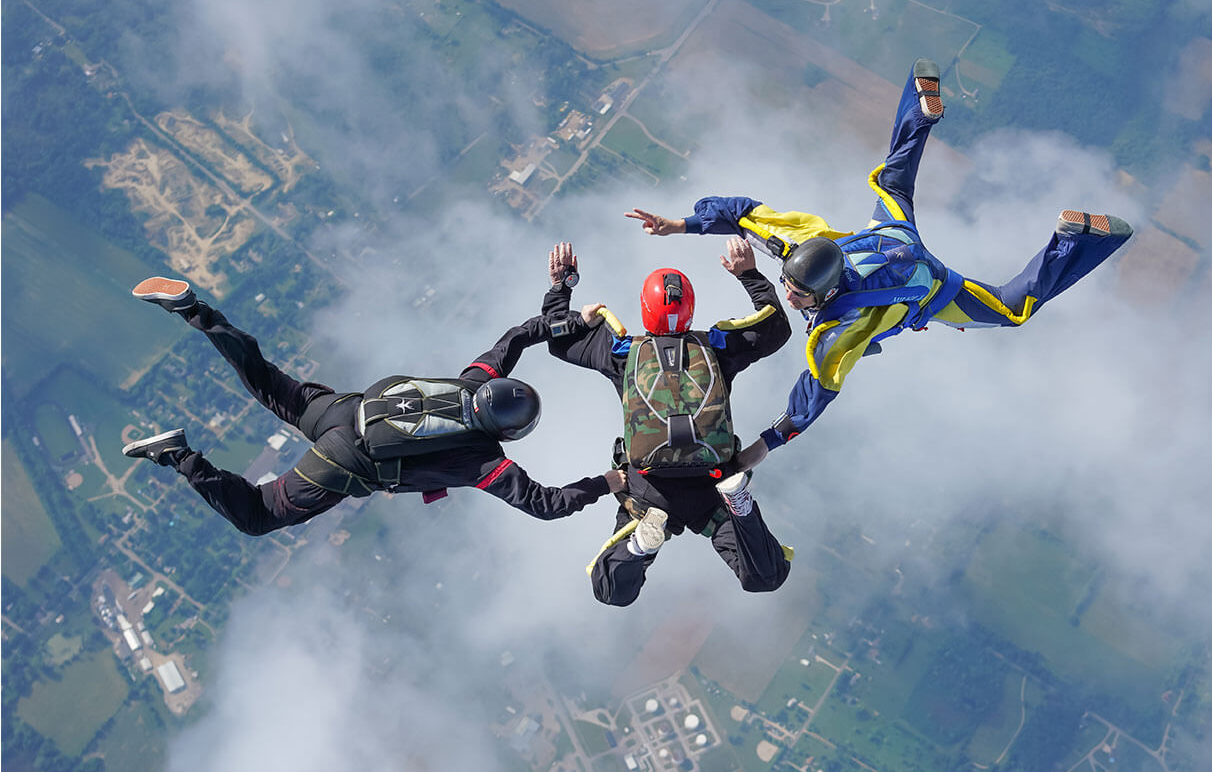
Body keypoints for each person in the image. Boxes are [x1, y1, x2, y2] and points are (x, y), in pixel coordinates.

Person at [626, 57, 1132, 470]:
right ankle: (921, 104)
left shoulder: (836, 332)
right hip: (890, 236)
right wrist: (678, 225)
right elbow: (741, 214)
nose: (789, 295)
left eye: (798, 295)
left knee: (1011, 308)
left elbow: (810, 399)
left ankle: (1073, 240)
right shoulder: (801, 245)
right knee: (892, 185)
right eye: (788, 284)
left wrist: (758, 451)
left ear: (824, 296)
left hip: (928, 285)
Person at [122, 276, 626, 537]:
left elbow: (517, 337)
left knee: (265, 379)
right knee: (259, 514)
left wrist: (569, 315)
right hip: (347, 462)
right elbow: (546, 504)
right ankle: (178, 457)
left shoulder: (474, 381)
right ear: (508, 433)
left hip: (342, 410)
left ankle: (196, 312)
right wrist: (609, 482)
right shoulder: (485, 462)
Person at [538, 239, 792, 606]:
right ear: (691, 309)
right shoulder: (717, 347)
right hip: (715, 484)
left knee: (609, 590)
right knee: (767, 577)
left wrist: (560, 289)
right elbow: (776, 329)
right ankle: (742, 505)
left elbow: (556, 339)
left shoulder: (622, 353)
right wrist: (749, 276)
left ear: (644, 310)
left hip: (649, 492)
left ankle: (640, 545)